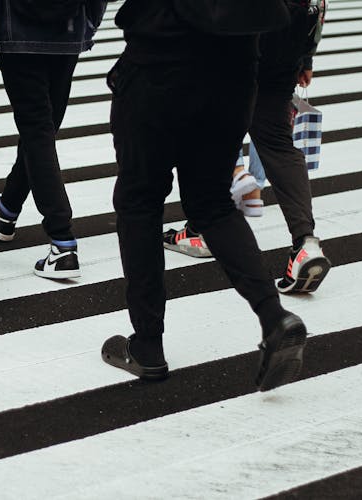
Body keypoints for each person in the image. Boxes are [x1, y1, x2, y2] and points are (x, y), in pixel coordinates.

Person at [101, 0, 308, 392]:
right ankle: (274, 316)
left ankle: (147, 344)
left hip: (158, 66)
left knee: (139, 202)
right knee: (211, 202)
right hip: (235, 73)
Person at [163, 0, 331, 295]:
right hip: (292, 34)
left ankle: (203, 226)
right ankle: (305, 243)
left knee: (207, 127)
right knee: (277, 143)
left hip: (245, 33)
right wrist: (305, 58)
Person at [0, 0, 106, 279]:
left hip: (17, 32)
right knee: (42, 131)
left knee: (37, 131)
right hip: (68, 28)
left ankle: (62, 241)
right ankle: (6, 210)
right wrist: (88, 22)